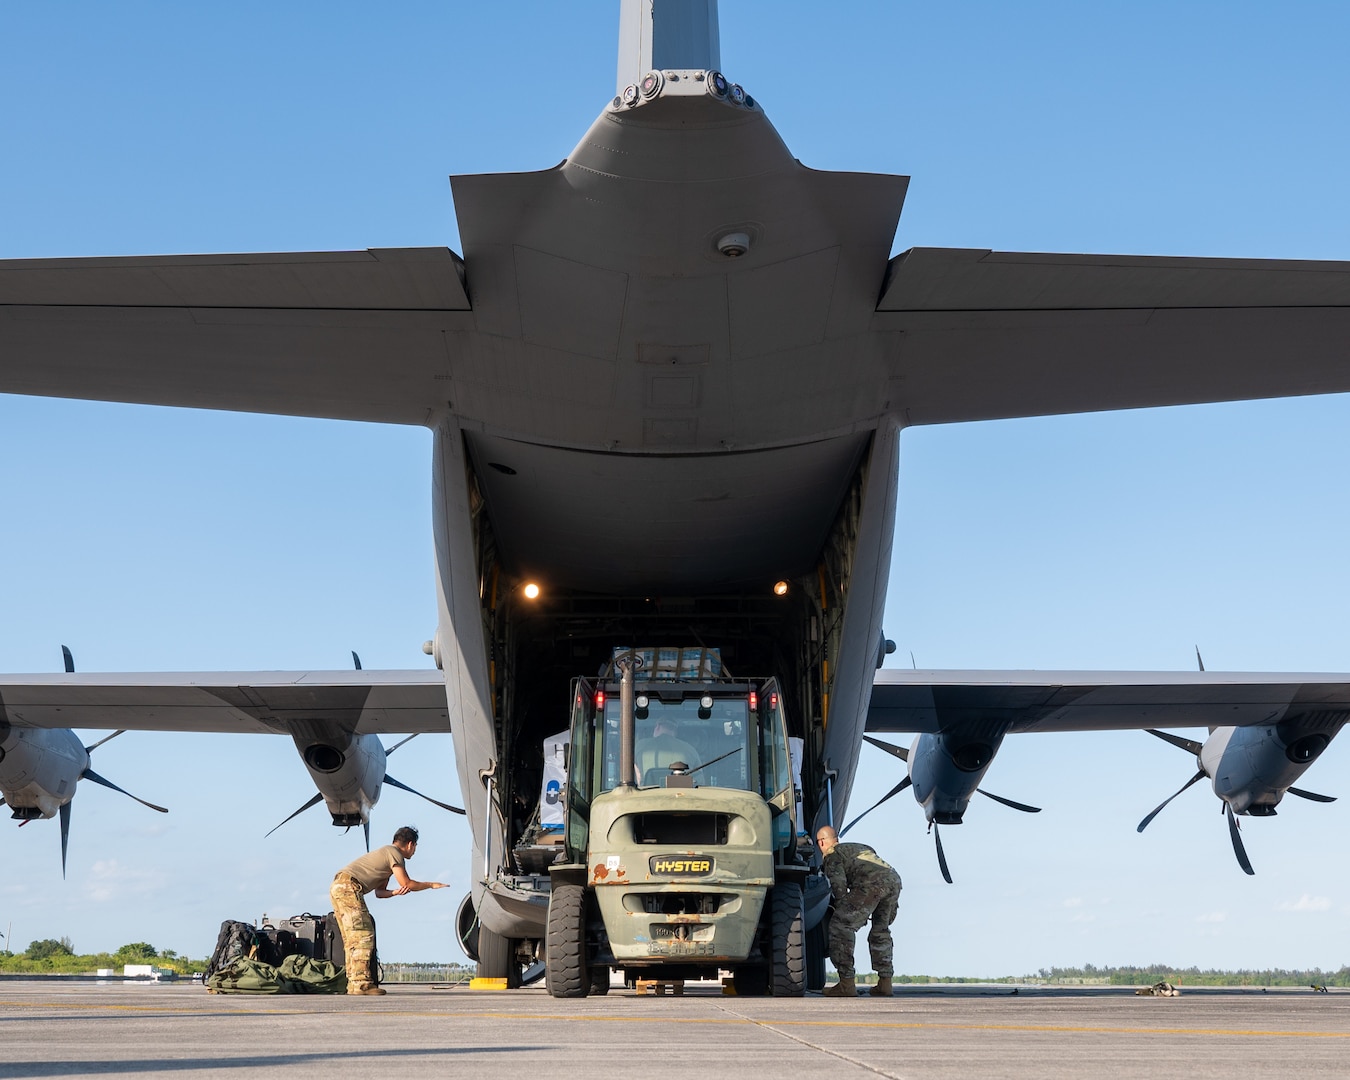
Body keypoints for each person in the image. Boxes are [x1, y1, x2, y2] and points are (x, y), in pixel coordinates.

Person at [330, 825, 447, 995]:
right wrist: (431, 885)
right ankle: (362, 985)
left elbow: (379, 892)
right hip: (348, 886)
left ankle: (354, 984)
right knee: (363, 935)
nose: (413, 852)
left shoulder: (386, 854)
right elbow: (407, 883)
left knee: (353, 939)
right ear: (410, 844)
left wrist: (395, 893)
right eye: (415, 847)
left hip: (339, 886)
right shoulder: (394, 853)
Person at [815, 825, 902, 998]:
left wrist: (842, 908)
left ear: (822, 842)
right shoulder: (858, 847)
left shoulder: (833, 854)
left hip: (871, 884)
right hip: (894, 880)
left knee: (841, 927)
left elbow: (838, 886)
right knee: (881, 930)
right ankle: (885, 983)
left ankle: (846, 983)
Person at [634, 717, 701, 782]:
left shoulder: (640, 746)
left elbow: (635, 775)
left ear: (657, 727)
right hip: (682, 792)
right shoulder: (690, 750)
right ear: (675, 731)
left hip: (647, 792)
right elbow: (699, 782)